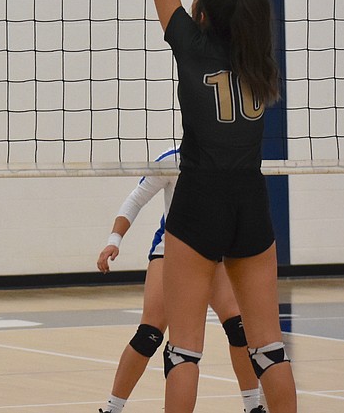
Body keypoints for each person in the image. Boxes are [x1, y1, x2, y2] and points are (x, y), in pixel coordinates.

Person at [111, 0, 297, 413]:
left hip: (198, 202)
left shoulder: (190, 46)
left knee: (184, 350)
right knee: (268, 346)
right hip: (250, 199)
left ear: (201, 15)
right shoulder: (257, 43)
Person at [96, 147, 266, 413]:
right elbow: (135, 200)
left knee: (238, 327)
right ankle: (112, 408)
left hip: (214, 255)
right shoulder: (172, 161)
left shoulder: (230, 159)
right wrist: (113, 241)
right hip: (171, 254)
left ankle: (254, 406)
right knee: (149, 335)